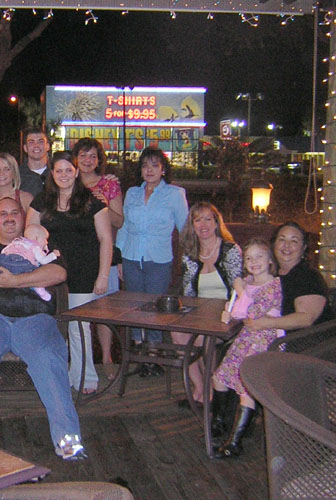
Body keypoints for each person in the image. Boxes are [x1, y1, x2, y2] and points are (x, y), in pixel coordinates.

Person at [0, 197, 86, 460]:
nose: (9, 218)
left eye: (15, 213)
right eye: (3, 214)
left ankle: (68, 441)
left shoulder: (41, 246)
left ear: (23, 219)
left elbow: (58, 275)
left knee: (50, 360)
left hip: (35, 321)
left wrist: (14, 281)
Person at [27, 151, 113, 394]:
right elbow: (30, 237)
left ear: (76, 172)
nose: (64, 175)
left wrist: (103, 275)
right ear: (51, 174)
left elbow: (105, 239)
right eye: (58, 171)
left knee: (79, 326)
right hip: (50, 274)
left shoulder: (92, 202)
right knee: (53, 327)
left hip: (84, 273)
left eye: (68, 170)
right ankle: (58, 374)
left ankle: (85, 376)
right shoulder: (40, 202)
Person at [116, 147, 188, 377]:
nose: (149, 170)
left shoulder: (175, 194)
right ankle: (139, 355)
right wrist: (119, 259)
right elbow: (125, 226)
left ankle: (154, 356)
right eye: (145, 166)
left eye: (155, 165)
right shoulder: (132, 193)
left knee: (156, 309)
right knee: (135, 308)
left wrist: (189, 259)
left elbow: (185, 227)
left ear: (163, 169)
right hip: (131, 256)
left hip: (159, 258)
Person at [211, 239, 283, 459]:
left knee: (246, 388)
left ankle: (235, 442)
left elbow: (252, 312)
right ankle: (220, 421)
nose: (254, 262)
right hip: (246, 337)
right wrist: (230, 310)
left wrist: (240, 290)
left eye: (259, 256)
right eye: (249, 258)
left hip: (263, 340)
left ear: (270, 261)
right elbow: (237, 311)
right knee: (220, 377)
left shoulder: (273, 286)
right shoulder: (248, 282)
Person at [172, 202, 242, 405]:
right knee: (177, 333)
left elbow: (239, 290)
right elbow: (187, 293)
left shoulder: (230, 250)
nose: (203, 224)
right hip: (200, 313)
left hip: (228, 314)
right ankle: (199, 387)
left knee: (201, 338)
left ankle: (213, 389)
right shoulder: (190, 254)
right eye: (197, 220)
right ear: (192, 225)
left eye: (208, 219)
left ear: (216, 223)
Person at [73, 138, 123, 381]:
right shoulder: (68, 183)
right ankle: (81, 362)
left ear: (99, 160)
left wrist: (104, 205)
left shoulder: (109, 185)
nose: (87, 160)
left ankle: (106, 358)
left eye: (92, 156)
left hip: (105, 257)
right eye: (83, 155)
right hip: (78, 258)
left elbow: (119, 221)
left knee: (104, 311)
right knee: (78, 313)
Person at [243, 221, 333, 333]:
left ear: (304, 247)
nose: (287, 245)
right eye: (282, 239)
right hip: (268, 336)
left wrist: (267, 323)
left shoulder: (309, 277)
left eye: (294, 241)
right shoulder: (269, 274)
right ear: (274, 244)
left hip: (305, 344)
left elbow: (306, 318)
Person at [0, 223, 59, 303]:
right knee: (33, 276)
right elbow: (43, 260)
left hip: (3, 262)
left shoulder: (16, 242)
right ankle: (41, 292)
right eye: (45, 239)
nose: (46, 242)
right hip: (21, 264)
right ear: (36, 238)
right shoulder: (34, 246)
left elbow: (4, 252)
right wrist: (53, 255)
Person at [19, 128, 50, 197]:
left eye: (41, 141)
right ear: (25, 148)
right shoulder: (17, 175)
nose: (36, 145)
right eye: (31, 142)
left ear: (48, 146)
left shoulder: (56, 173)